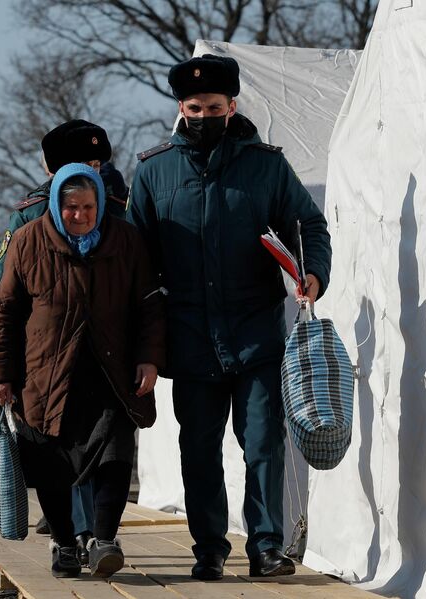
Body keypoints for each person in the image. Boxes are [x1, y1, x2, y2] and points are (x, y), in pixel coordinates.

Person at [128, 54, 332, 580]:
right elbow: (133, 259)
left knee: (264, 443)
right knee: (198, 451)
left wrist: (312, 274)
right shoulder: (153, 171)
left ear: (232, 106)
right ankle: (210, 549)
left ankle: (266, 547)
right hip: (190, 339)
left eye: (213, 107)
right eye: (194, 107)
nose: (203, 115)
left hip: (256, 333)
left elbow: (308, 224)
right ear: (180, 108)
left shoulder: (266, 166)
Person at [0, 162, 165, 578]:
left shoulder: (126, 240)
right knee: (49, 462)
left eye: (87, 206)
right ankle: (65, 544)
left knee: (116, 454)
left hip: (111, 372)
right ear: (55, 205)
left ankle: (103, 540)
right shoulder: (28, 241)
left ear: (100, 204)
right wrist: (0, 373)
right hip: (45, 374)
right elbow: (5, 310)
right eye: (70, 208)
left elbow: (150, 305)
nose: (80, 215)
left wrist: (149, 358)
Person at [0, 119, 128, 563]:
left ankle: (89, 536)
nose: (90, 170)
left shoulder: (124, 208)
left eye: (97, 162)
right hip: (45, 357)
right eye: (79, 163)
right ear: (51, 169)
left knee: (102, 448)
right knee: (55, 453)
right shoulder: (31, 216)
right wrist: (1, 364)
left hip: (104, 354)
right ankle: (73, 535)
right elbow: (2, 295)